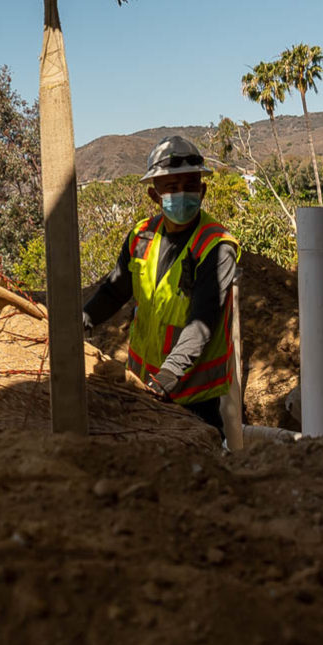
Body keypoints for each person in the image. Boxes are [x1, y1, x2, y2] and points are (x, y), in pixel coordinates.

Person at [81, 135, 240, 436]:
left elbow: (202, 324)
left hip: (194, 398)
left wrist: (166, 378)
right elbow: (115, 290)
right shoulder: (141, 236)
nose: (182, 194)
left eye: (190, 185)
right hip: (144, 386)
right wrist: (82, 321)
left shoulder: (216, 246)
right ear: (155, 195)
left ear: (203, 190)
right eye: (172, 187)